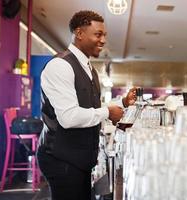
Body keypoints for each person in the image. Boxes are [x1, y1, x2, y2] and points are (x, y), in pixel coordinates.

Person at [37, 10, 136, 200]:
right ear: (79, 33)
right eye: (98, 34)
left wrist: (121, 102)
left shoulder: (89, 69)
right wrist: (107, 112)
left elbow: (89, 107)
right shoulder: (60, 66)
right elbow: (69, 117)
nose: (103, 40)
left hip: (80, 159)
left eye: (104, 35)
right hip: (61, 158)